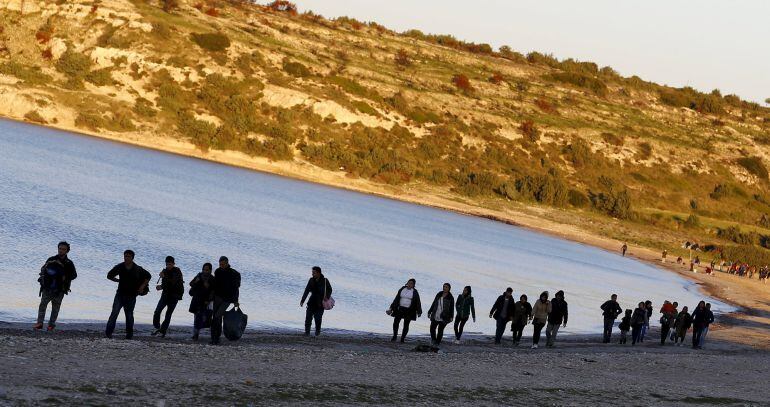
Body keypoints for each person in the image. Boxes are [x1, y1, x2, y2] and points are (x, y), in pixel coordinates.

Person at [105, 250, 151, 339]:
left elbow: (148, 276)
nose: (126, 258)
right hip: (120, 294)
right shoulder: (120, 266)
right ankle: (108, 333)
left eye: (128, 256)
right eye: (125, 256)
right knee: (114, 313)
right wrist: (117, 280)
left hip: (131, 295)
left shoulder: (137, 268)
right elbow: (109, 275)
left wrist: (142, 286)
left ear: (132, 258)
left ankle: (129, 335)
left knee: (129, 315)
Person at [35, 241, 77, 331]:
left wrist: (65, 277)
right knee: (42, 305)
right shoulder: (51, 259)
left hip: (60, 289)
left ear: (67, 251)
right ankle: (39, 323)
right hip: (47, 287)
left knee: (55, 308)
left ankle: (51, 325)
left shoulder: (69, 263)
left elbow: (74, 275)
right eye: (60, 248)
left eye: (63, 249)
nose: (61, 251)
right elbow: (43, 270)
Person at [152, 256, 184, 338]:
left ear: (173, 264)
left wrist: (164, 277)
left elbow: (173, 282)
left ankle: (162, 331)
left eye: (170, 264)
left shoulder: (177, 271)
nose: (168, 266)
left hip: (174, 296)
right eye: (167, 264)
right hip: (165, 294)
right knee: (157, 311)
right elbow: (166, 285)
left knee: (168, 314)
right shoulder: (165, 271)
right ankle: (157, 328)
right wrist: (161, 287)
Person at [211, 256, 240, 345]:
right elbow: (215, 285)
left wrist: (236, 301)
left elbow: (236, 288)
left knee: (217, 316)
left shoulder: (234, 273)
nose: (221, 266)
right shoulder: (217, 271)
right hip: (217, 297)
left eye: (223, 264)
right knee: (216, 318)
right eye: (220, 264)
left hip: (227, 299)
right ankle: (215, 338)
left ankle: (216, 338)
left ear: (227, 263)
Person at [300, 266, 332, 337]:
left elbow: (330, 289)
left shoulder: (325, 281)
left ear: (319, 273)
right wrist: (302, 300)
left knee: (318, 319)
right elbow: (307, 290)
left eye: (314, 273)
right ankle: (307, 332)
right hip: (311, 302)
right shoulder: (311, 280)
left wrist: (327, 296)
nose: (312, 274)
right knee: (308, 318)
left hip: (320, 303)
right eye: (312, 273)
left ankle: (317, 332)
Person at [387, 278, 422, 343]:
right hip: (400, 308)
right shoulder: (402, 289)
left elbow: (418, 302)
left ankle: (402, 339)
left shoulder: (415, 292)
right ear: (407, 283)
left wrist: (419, 311)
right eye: (409, 283)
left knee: (406, 324)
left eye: (411, 283)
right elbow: (396, 298)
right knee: (396, 322)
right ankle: (394, 336)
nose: (409, 284)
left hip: (409, 310)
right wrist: (391, 307)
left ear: (413, 285)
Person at [188, 263, 215, 341]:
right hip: (196, 298)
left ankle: (196, 334)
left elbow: (213, 291)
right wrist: (196, 281)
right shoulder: (199, 275)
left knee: (199, 316)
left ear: (210, 270)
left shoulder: (212, 279)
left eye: (206, 270)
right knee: (196, 316)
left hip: (204, 301)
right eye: (204, 269)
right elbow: (191, 284)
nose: (205, 271)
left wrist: (208, 300)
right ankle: (195, 334)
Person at [427, 283, 454, 347]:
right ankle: (434, 340)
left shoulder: (450, 297)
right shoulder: (439, 294)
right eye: (444, 286)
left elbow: (452, 308)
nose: (444, 288)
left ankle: (437, 342)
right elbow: (434, 303)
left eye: (446, 287)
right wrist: (430, 311)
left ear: (449, 289)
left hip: (444, 316)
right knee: (432, 328)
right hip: (436, 313)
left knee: (440, 329)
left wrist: (451, 316)